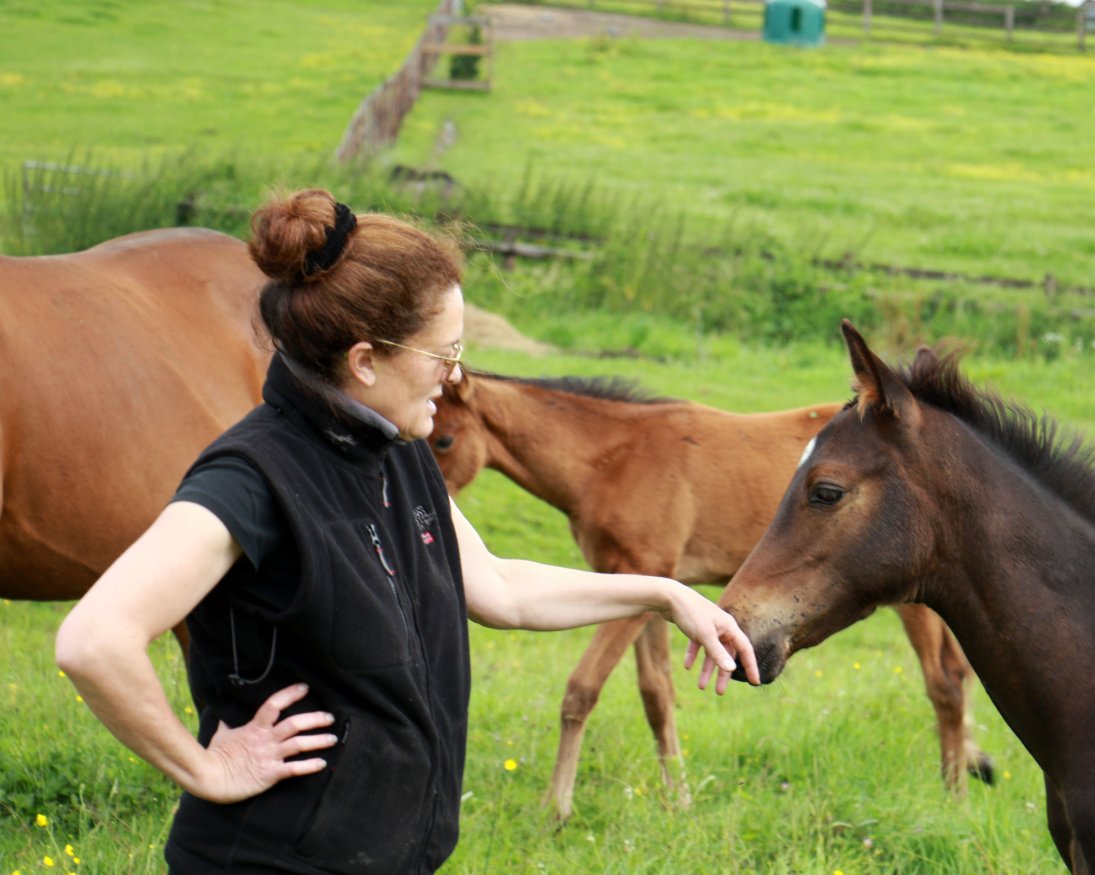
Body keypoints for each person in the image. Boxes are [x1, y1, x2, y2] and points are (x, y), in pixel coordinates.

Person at [54, 189, 760, 874]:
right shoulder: (252, 479)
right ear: (365, 361)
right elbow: (94, 640)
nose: (455, 376)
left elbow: (500, 587)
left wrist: (666, 594)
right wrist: (205, 767)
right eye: (442, 353)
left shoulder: (395, 451)